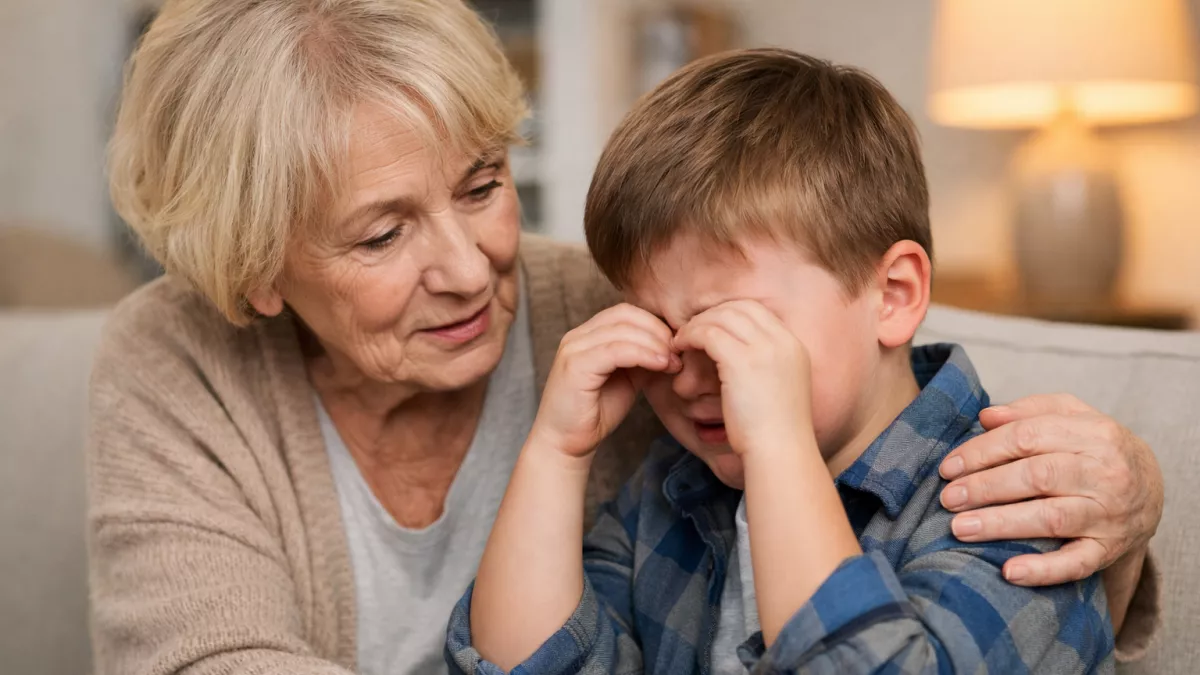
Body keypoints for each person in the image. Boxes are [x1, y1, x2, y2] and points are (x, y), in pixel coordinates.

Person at [89, 1, 1160, 674]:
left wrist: (1130, 474)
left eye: (483, 185)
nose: (470, 269)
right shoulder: (676, 487)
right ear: (257, 270)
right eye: (380, 233)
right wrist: (557, 453)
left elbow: (868, 331)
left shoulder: (970, 494)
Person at [452, 50, 1121, 674]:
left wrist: (779, 443)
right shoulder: (669, 491)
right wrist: (556, 451)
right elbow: (529, 660)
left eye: (737, 327)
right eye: (659, 328)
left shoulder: (1016, 503)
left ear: (892, 295)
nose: (687, 376)